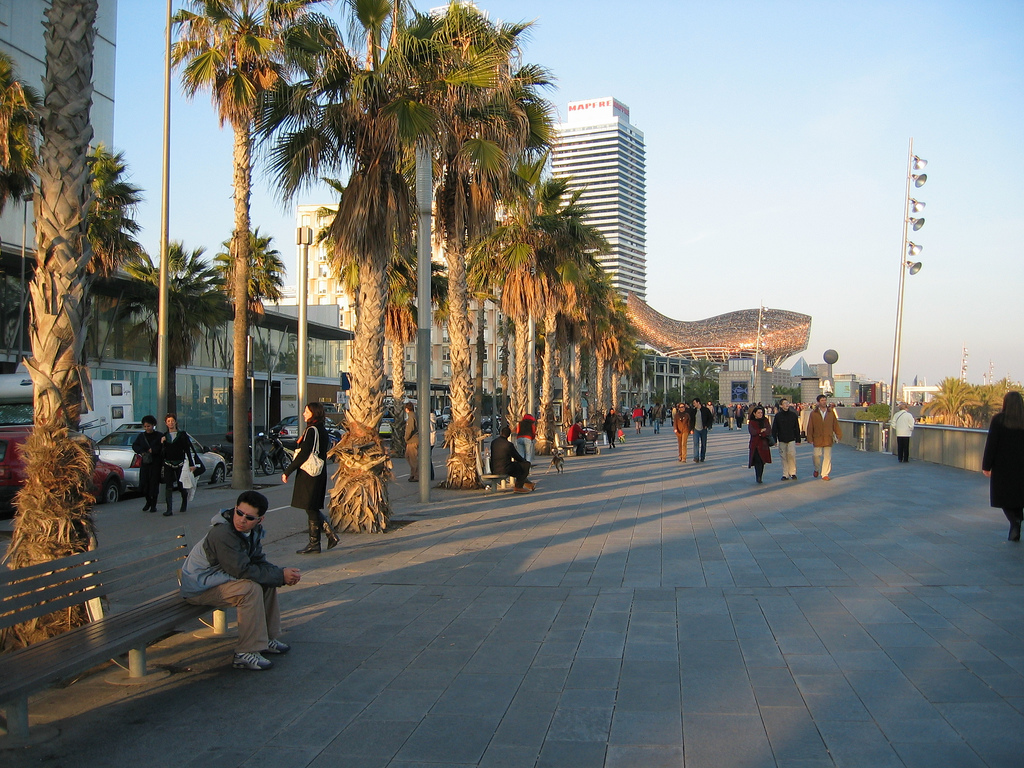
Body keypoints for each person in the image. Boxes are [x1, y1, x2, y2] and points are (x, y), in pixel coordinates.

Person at [180, 490, 301, 671]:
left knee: (266, 582)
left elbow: (258, 561)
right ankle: (245, 652)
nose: (242, 520)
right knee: (249, 589)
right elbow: (241, 570)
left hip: (219, 581)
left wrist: (280, 574)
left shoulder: (253, 532)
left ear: (260, 520)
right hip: (199, 588)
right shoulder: (223, 533)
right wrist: (280, 575)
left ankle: (265, 639)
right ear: (234, 509)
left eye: (249, 517)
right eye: (239, 513)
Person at [282, 402, 338, 555]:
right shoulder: (321, 429)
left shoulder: (311, 430)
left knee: (310, 506)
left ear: (314, 413)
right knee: (311, 507)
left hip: (309, 474)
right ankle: (327, 535)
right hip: (318, 472)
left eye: (306, 411)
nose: (304, 414)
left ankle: (316, 542)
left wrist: (288, 471)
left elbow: (304, 454)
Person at [982, 391, 1024, 542]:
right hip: (1021, 465)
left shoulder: (999, 420)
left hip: (1003, 465)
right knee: (1019, 495)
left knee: (1003, 496)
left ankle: (1014, 521)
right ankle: (1018, 519)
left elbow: (991, 444)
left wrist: (986, 465)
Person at [161, 413, 200, 516]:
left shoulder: (182, 435)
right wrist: (162, 443)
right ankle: (169, 509)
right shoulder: (164, 436)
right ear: (166, 423)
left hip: (180, 463)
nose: (170, 423)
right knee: (168, 486)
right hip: (168, 463)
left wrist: (191, 464)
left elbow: (187, 449)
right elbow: (162, 452)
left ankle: (184, 502)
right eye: (168, 421)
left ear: (175, 422)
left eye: (172, 421)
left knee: (180, 485)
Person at [806, 394, 843, 480]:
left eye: (825, 400)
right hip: (817, 437)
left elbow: (835, 424)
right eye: (822, 400)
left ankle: (825, 474)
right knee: (816, 455)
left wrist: (839, 434)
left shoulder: (830, 413)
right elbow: (810, 426)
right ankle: (817, 469)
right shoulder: (813, 413)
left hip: (828, 437)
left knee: (827, 456)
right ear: (818, 402)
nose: (824, 402)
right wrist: (809, 438)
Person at [132, 415, 163, 512]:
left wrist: (153, 450)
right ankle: (148, 501)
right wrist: (142, 451)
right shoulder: (141, 436)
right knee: (144, 484)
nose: (147, 428)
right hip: (145, 462)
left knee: (154, 485)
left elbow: (162, 448)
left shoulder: (159, 435)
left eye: (148, 426)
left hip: (156, 463)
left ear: (153, 425)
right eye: (145, 426)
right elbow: (135, 445)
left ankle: (153, 505)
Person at [490, 425, 534, 493]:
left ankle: (528, 483)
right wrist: (524, 461)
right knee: (525, 465)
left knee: (518, 468)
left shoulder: (494, 442)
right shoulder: (508, 445)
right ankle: (518, 487)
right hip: (505, 468)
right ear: (509, 435)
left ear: (501, 433)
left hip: (494, 468)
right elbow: (517, 457)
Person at [771, 398, 801, 480]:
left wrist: (798, 439)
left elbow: (797, 428)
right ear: (781, 405)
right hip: (782, 439)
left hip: (791, 438)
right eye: (785, 403)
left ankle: (793, 473)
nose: (787, 404)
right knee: (783, 457)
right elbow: (774, 429)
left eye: (787, 403)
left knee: (791, 455)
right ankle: (785, 474)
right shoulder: (778, 416)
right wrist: (774, 440)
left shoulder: (793, 415)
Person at [747, 405, 772, 483]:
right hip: (755, 445)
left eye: (761, 413)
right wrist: (760, 431)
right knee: (757, 460)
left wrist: (761, 433)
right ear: (754, 413)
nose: (760, 414)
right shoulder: (752, 422)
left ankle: (760, 475)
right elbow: (753, 432)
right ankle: (758, 476)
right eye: (758, 413)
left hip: (764, 444)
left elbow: (768, 430)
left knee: (762, 461)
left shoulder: (765, 420)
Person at [689, 398, 713, 463]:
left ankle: (702, 457)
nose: (694, 404)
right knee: (696, 443)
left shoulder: (705, 410)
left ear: (698, 402)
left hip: (703, 429)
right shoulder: (693, 411)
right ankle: (696, 457)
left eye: (694, 403)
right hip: (696, 429)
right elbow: (691, 420)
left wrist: (707, 425)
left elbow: (710, 418)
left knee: (703, 444)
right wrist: (691, 429)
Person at [403, 401, 419, 482]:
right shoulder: (414, 415)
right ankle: (413, 474)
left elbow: (410, 429)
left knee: (413, 459)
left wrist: (406, 438)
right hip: (412, 440)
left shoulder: (411, 417)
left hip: (412, 441)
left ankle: (416, 475)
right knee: (408, 456)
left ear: (406, 409)